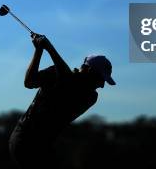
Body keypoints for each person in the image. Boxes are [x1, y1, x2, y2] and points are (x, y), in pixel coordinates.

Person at [9, 33, 115, 169]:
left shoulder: (90, 97)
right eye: (100, 79)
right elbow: (29, 82)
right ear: (88, 70)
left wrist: (49, 48)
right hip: (25, 140)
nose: (102, 85)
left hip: (40, 145)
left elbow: (68, 82)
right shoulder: (56, 73)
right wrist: (39, 51)